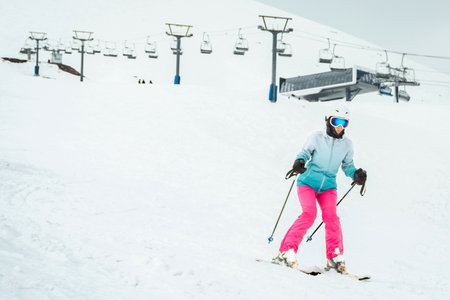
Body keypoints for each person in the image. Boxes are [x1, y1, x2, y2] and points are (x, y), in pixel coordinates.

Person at [272, 104, 367, 273]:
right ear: (328, 121)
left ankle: (334, 256)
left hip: (329, 186)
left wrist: (356, 175)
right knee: (309, 214)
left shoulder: (347, 145)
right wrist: (300, 162)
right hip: (307, 182)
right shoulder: (316, 137)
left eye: (344, 123)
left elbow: (348, 166)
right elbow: (304, 154)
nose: (339, 126)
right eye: (336, 121)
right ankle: (287, 251)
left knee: (331, 218)